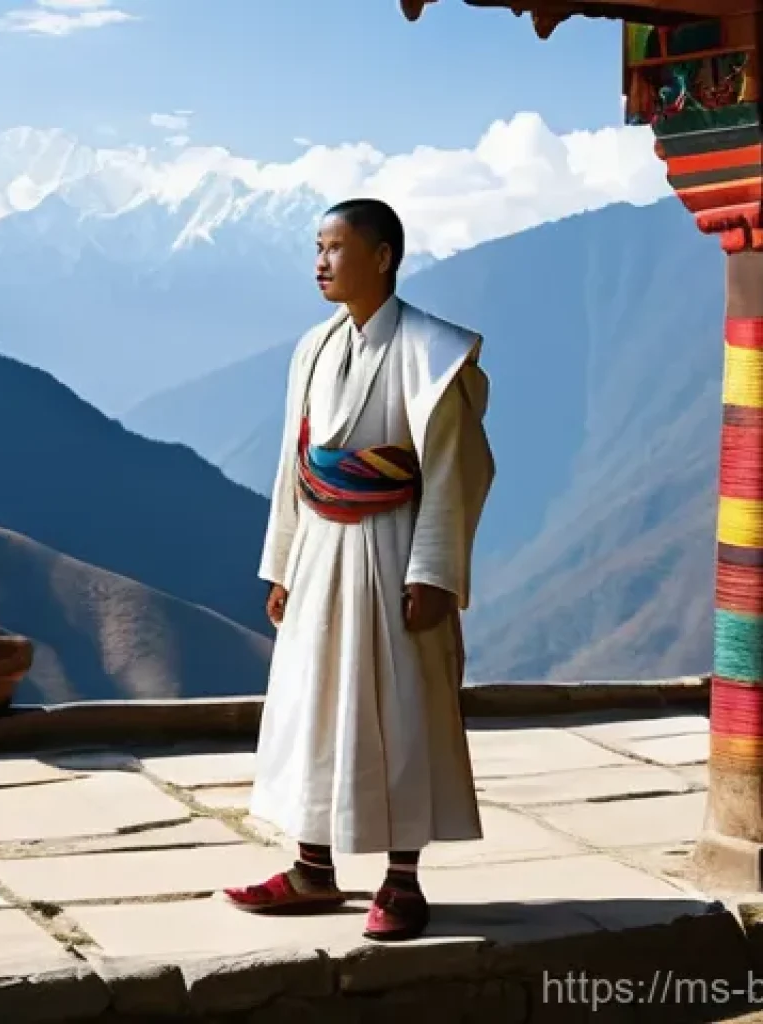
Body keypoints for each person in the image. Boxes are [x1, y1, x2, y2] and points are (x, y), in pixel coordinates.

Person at [223, 198, 495, 942]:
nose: (321, 262)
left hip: (394, 544)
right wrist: (282, 562)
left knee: (401, 706)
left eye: (336, 248)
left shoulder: (434, 351)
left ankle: (401, 878)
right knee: (313, 703)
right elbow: (294, 463)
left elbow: (452, 468)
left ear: (382, 257)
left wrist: (433, 572)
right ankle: (312, 866)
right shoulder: (312, 347)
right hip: (320, 547)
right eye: (317, 247)